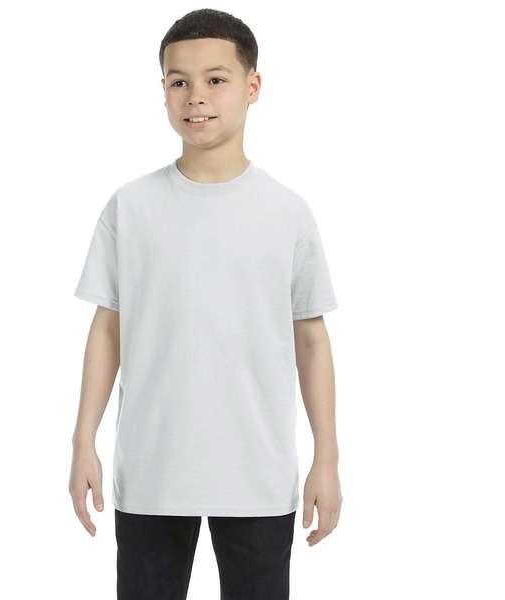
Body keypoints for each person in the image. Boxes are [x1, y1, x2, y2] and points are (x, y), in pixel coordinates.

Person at [69, 8, 342, 600]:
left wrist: (327, 457)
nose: (196, 97)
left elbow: (311, 338)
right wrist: (82, 441)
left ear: (252, 86)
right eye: (179, 81)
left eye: (216, 79)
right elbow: (108, 328)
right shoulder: (131, 207)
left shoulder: (286, 212)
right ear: (163, 89)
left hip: (256, 475)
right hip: (152, 472)